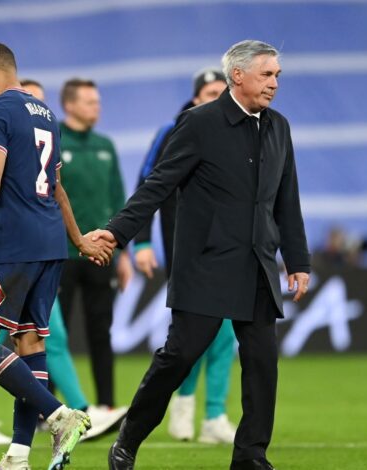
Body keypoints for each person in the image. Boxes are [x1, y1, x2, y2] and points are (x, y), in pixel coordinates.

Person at [92, 40, 311, 470]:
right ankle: (129, 439)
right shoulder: (198, 123)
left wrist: (298, 261)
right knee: (178, 358)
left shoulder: (279, 127)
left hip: (258, 266)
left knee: (262, 365)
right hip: (206, 265)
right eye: (267, 74)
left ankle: (250, 457)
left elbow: (287, 199)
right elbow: (158, 184)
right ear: (238, 75)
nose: (274, 83)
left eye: (277, 75)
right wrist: (117, 233)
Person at [0, 42, 112, 470]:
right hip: (51, 243)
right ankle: (18, 456)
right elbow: (57, 187)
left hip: (10, 243)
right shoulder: (47, 114)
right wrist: (77, 240)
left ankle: (59, 415)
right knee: (29, 343)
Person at [133, 68, 237, 444]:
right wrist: (141, 242)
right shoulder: (173, 130)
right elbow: (148, 184)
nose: (216, 98)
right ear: (195, 98)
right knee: (192, 334)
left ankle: (214, 416)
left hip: (229, 249)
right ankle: (184, 402)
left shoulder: (239, 132)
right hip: (186, 250)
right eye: (209, 92)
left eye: (221, 92)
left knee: (226, 333)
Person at [56, 78, 132, 417]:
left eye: (97, 102)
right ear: (69, 105)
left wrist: (123, 254)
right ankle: (48, 410)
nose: (96, 107)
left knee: (101, 330)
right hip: (62, 253)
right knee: (53, 334)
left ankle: (107, 404)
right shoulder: (54, 141)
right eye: (89, 102)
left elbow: (118, 200)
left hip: (102, 254)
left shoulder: (106, 145)